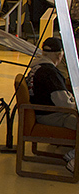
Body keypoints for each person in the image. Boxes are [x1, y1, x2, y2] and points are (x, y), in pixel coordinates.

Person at [25, 37, 78, 171]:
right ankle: (74, 159)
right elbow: (64, 104)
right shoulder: (50, 73)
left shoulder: (37, 68)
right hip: (52, 115)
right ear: (60, 55)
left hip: (41, 112)